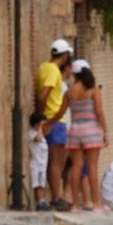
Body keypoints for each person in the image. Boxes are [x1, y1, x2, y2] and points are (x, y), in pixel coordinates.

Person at [65, 58, 108, 212]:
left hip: (75, 131)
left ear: (75, 74)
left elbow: (61, 112)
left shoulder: (69, 92)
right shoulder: (93, 90)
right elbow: (99, 112)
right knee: (92, 166)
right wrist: (105, 131)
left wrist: (49, 122)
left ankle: (76, 204)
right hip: (92, 131)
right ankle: (96, 203)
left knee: (76, 167)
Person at [36, 39, 73, 211]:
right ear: (64, 56)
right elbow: (44, 96)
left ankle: (55, 196)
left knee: (52, 162)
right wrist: (45, 120)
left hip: (52, 120)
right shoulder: (53, 71)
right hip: (55, 121)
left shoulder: (43, 67)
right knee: (56, 163)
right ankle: (56, 198)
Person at [28, 112, 51, 211]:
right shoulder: (32, 133)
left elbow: (44, 134)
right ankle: (39, 201)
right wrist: (40, 128)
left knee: (41, 183)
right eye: (42, 124)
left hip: (42, 164)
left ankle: (42, 200)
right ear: (36, 124)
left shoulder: (42, 136)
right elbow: (37, 139)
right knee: (37, 184)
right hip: (36, 163)